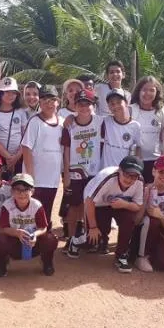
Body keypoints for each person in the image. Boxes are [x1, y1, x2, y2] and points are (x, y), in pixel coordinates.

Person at [73, 156, 145, 272]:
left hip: (120, 204)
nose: (129, 179)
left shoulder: (139, 182)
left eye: (134, 176)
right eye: (126, 174)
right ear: (119, 170)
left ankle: (121, 255)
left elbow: (138, 206)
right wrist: (93, 227)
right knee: (94, 239)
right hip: (97, 204)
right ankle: (76, 240)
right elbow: (89, 201)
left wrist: (125, 205)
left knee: (129, 219)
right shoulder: (107, 177)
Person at [61, 89, 102, 257]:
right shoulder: (69, 125)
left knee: (91, 205)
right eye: (80, 104)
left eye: (88, 104)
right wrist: (66, 175)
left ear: (93, 105)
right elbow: (67, 150)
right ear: (75, 105)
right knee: (74, 206)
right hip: (76, 172)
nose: (84, 107)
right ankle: (71, 239)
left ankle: (87, 239)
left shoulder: (101, 122)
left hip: (94, 172)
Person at [0, 173, 58, 277]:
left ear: (32, 191)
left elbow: (43, 227)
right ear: (12, 192)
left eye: (26, 189)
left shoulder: (36, 205)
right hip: (14, 242)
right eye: (17, 189)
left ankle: (47, 262)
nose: (22, 193)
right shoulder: (7, 206)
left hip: (33, 242)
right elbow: (2, 229)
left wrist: (35, 235)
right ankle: (2, 263)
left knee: (51, 239)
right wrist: (16, 233)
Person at [22, 84, 64, 230]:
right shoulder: (34, 122)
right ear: (39, 102)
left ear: (58, 102)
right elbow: (26, 148)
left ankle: (45, 239)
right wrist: (30, 176)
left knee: (47, 210)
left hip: (52, 179)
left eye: (52, 99)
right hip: (36, 179)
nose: (49, 103)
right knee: (33, 211)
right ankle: (31, 242)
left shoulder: (63, 123)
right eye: (44, 99)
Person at [132, 156, 164, 272]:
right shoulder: (141, 188)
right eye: (160, 172)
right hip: (140, 233)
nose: (163, 176)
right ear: (154, 171)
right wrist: (144, 201)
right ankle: (141, 256)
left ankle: (153, 255)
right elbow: (135, 221)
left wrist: (160, 216)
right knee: (150, 220)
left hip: (160, 234)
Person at [129, 76, 164, 183]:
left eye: (152, 90)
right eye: (144, 89)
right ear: (138, 91)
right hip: (134, 161)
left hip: (155, 161)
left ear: (157, 92)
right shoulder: (131, 109)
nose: (147, 93)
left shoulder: (161, 111)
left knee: (151, 195)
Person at [0, 77, 26, 177]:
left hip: (19, 157)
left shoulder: (21, 112)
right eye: (7, 92)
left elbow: (25, 136)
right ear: (0, 94)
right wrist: (8, 157)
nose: (10, 95)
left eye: (13, 92)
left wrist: (16, 157)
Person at [100, 88, 141, 169]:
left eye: (119, 102)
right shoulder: (105, 121)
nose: (115, 106)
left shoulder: (135, 126)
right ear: (108, 107)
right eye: (112, 103)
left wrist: (137, 166)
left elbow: (138, 148)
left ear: (126, 103)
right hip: (106, 171)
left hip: (124, 172)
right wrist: (72, 116)